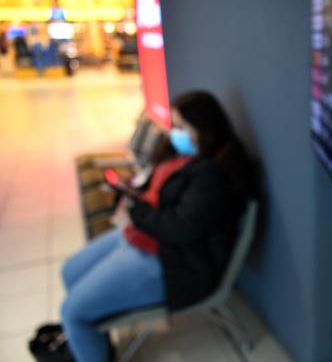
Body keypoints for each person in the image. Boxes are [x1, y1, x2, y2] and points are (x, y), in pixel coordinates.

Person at [60, 91, 255, 362]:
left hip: (176, 263)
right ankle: (97, 340)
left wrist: (135, 211)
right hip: (146, 238)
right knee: (70, 272)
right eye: (173, 125)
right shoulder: (185, 157)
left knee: (73, 314)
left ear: (205, 127)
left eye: (181, 127)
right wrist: (134, 199)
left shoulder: (212, 175)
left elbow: (180, 228)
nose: (174, 134)